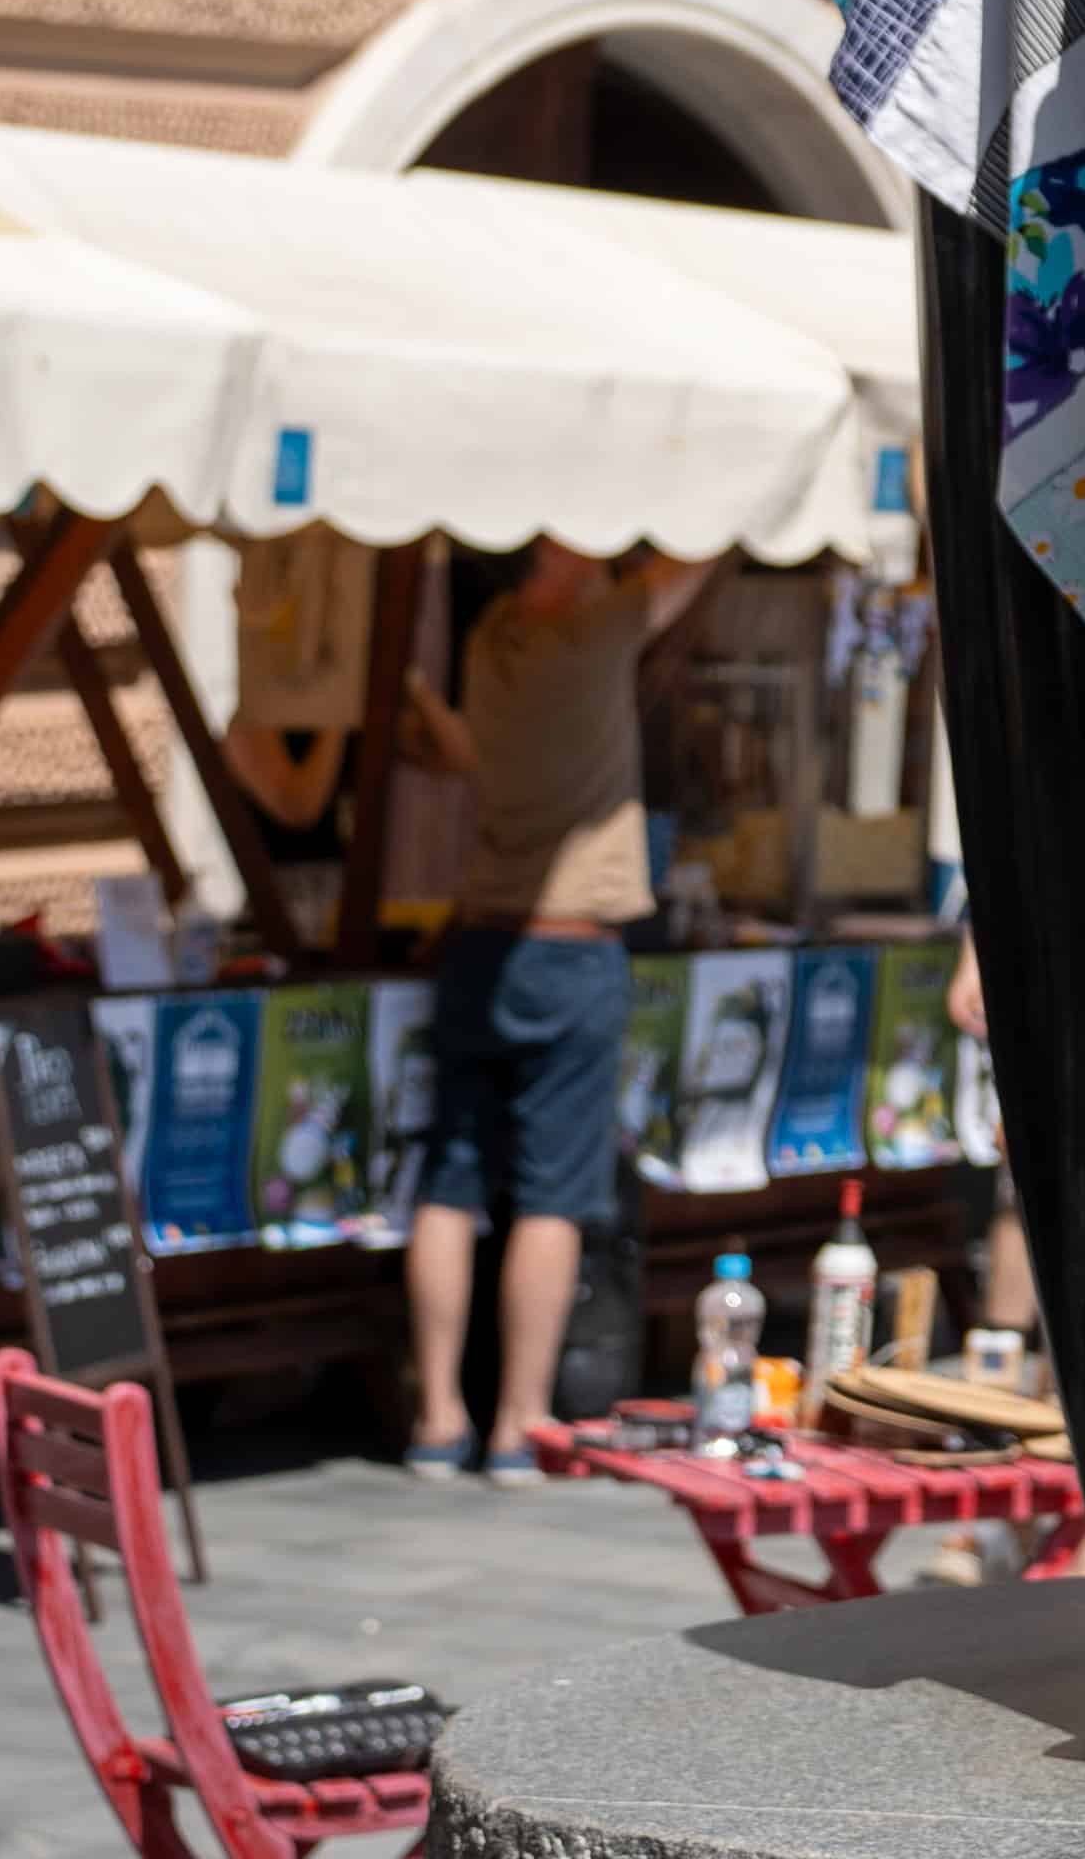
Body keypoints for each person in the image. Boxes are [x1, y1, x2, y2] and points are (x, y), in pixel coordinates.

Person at [392, 538, 710, 1476]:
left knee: (449, 1184)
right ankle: (518, 1423)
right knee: (553, 1196)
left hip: (482, 939)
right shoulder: (593, 631)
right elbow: (696, 553)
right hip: (572, 949)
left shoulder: (493, 635)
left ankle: (438, 1418)